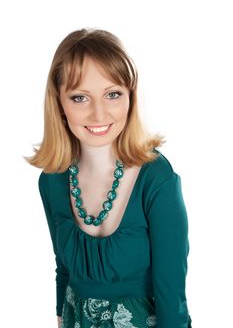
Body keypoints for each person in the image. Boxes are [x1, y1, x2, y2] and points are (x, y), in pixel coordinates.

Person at [25, 28, 192, 327]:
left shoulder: (157, 179)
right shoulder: (51, 180)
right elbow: (63, 273)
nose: (99, 114)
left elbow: (173, 300)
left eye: (113, 94)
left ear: (131, 98)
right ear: (59, 104)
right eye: (80, 98)